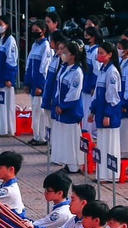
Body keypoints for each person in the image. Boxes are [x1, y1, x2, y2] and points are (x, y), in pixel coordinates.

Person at [50, 41, 85, 173]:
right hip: (60, 108)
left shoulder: (77, 72)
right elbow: (58, 87)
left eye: (65, 53)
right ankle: (66, 162)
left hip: (71, 110)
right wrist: (56, 103)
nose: (62, 55)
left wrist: (64, 106)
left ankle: (74, 164)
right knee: (63, 136)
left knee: (72, 137)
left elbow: (74, 93)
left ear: (73, 55)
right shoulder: (64, 68)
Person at [91, 42, 123, 182]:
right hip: (100, 111)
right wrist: (93, 110)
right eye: (98, 53)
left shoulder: (112, 72)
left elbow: (113, 96)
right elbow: (97, 94)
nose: (99, 55)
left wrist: (108, 114)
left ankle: (111, 175)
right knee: (102, 143)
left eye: (102, 53)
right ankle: (102, 173)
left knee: (110, 143)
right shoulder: (102, 70)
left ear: (110, 55)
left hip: (108, 113)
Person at [0, 13, 19, 136]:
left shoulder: (10, 41)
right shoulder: (0, 40)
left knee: (6, 103)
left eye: (0, 24)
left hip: (5, 78)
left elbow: (12, 60)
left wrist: (9, 78)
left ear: (7, 26)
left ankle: (7, 129)